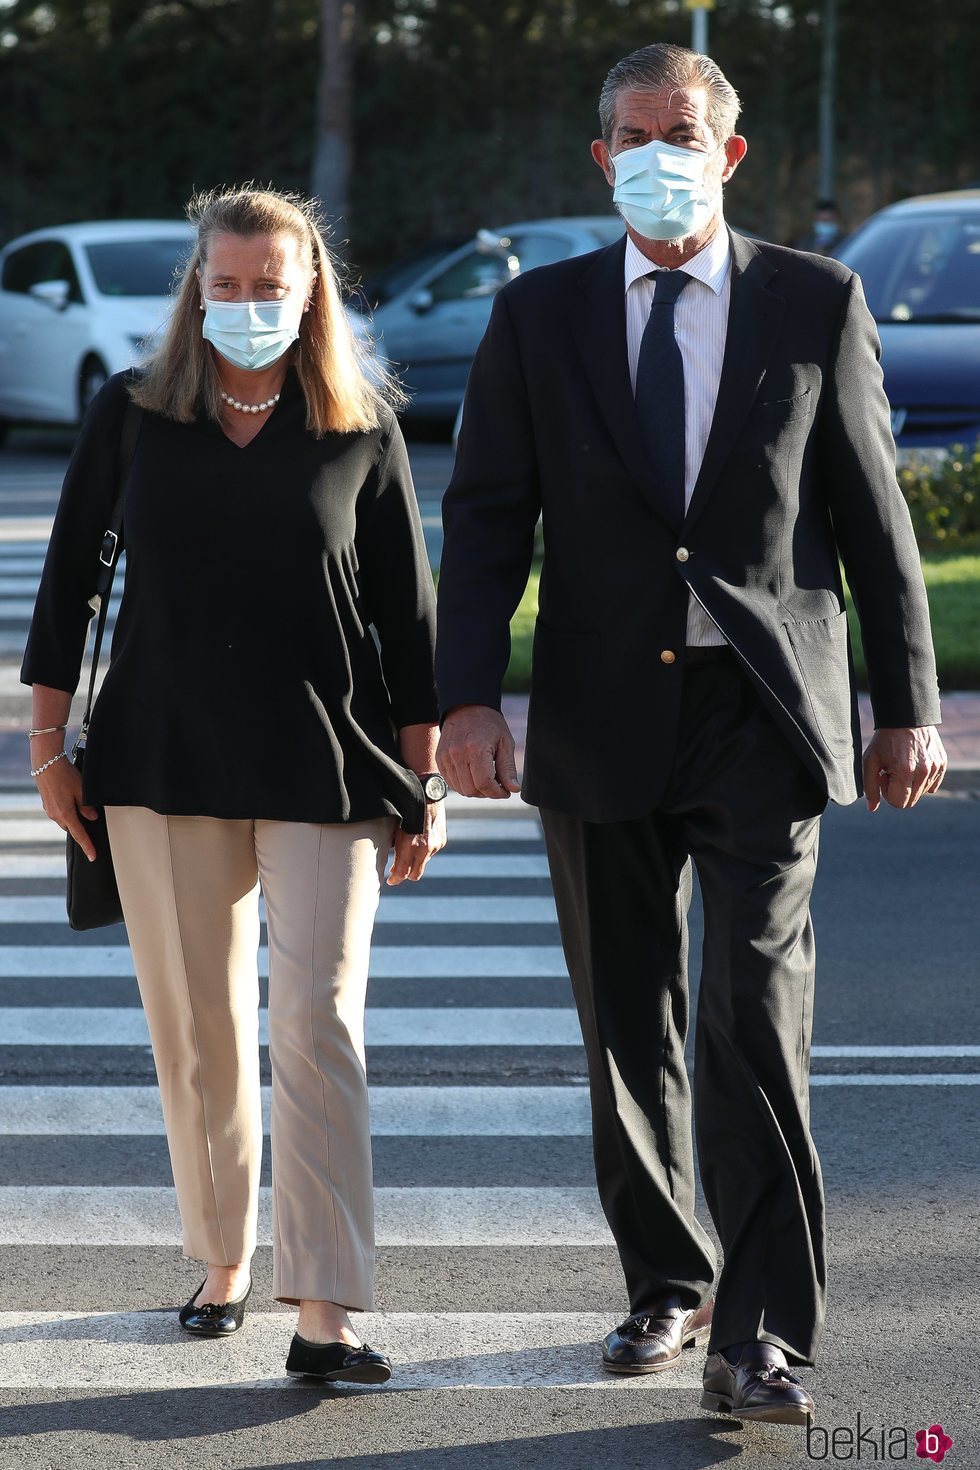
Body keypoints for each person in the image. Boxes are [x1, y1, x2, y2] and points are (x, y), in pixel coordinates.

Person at [434, 44, 946, 1426]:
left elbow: (874, 523)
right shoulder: (537, 314)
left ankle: (764, 1329)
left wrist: (906, 705)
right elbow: (484, 518)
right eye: (633, 132)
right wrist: (469, 697)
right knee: (627, 1018)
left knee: (754, 1017)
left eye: (684, 128)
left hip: (758, 711)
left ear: (730, 151)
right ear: (602, 160)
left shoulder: (814, 300)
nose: (659, 149)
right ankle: (666, 1277)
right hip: (598, 714)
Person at [23, 185, 448, 1385]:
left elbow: (408, 620)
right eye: (228, 283)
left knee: (317, 1029)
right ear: (195, 288)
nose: (250, 303)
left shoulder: (361, 424)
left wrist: (424, 781)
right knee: (198, 1033)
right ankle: (221, 1262)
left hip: (328, 763)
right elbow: (68, 594)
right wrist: (49, 748)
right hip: (161, 761)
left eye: (273, 284)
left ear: (312, 288)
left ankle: (325, 1310)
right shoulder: (135, 414)